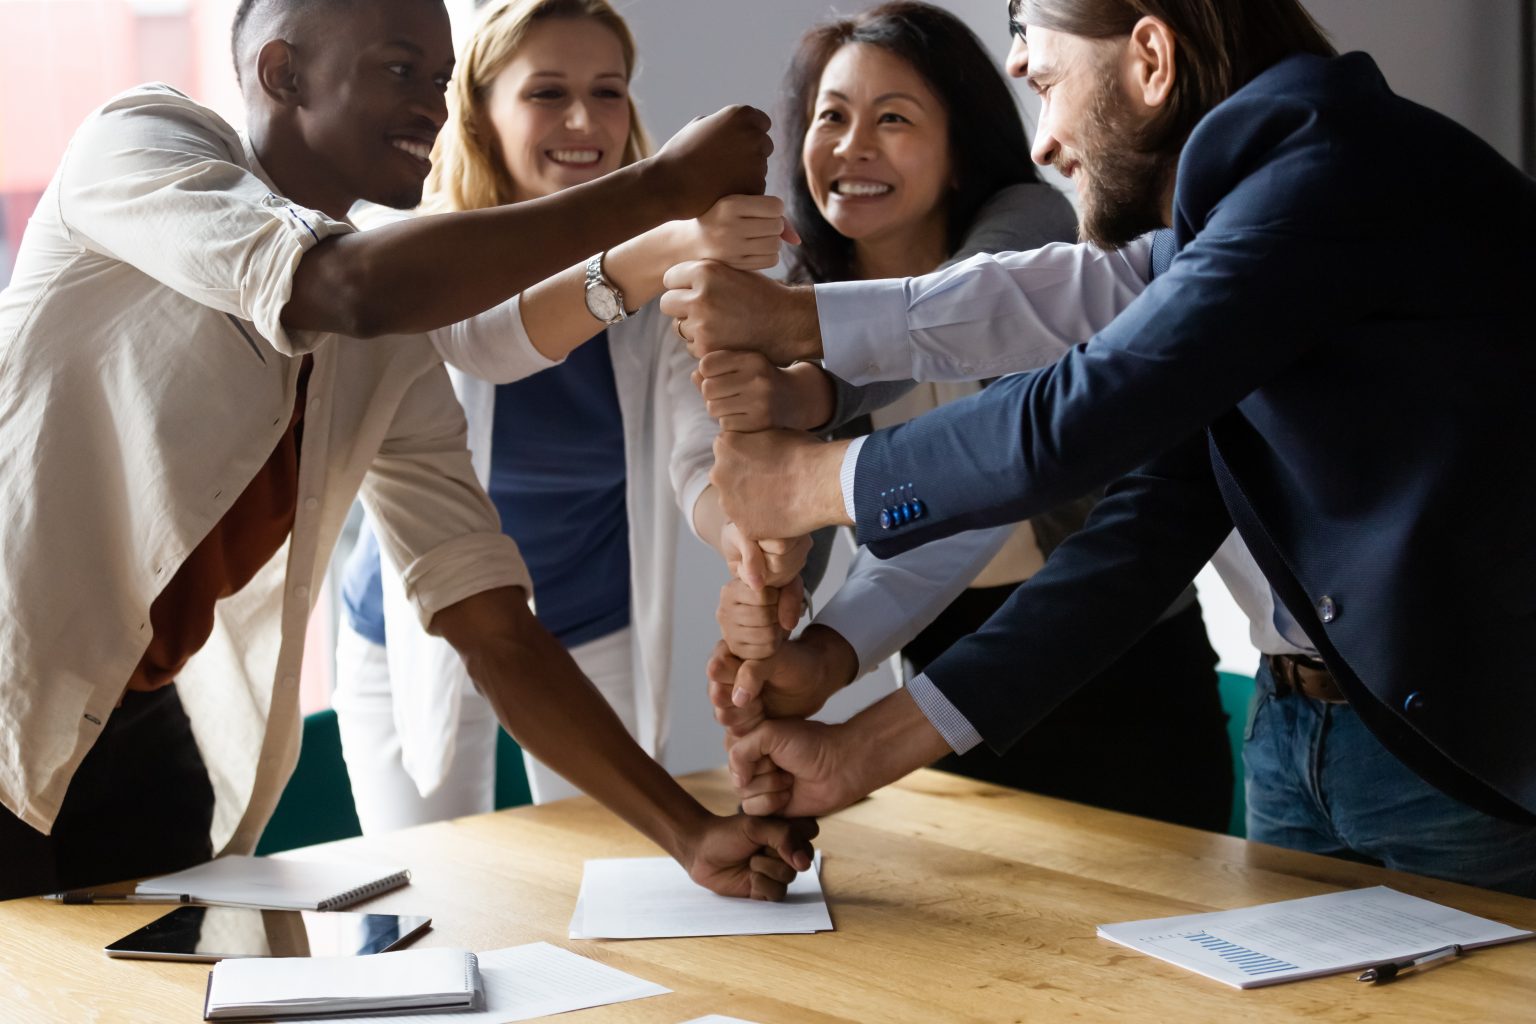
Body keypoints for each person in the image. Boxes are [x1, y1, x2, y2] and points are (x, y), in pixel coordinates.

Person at [670, 0, 1536, 896]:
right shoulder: (1244, 214)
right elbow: (1143, 525)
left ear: (1152, 61)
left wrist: (813, 479)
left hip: (1462, 751)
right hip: (1294, 737)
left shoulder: (1323, 165)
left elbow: (1081, 409)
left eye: (1046, 84)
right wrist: (860, 751)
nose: (1042, 142)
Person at [0, 0, 815, 902]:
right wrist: (662, 192)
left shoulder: (387, 340)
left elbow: (492, 621)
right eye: (400, 70)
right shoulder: (142, 142)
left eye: (437, 78)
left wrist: (692, 833)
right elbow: (347, 285)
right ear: (282, 74)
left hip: (133, 712)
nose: (431, 103)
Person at [696, 1, 1232, 832]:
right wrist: (772, 622)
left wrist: (816, 388)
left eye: (894, 118)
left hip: (1111, 650)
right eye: (831, 116)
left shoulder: (1030, 232)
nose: (852, 145)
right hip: (946, 655)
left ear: (958, 153)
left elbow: (990, 469)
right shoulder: (799, 292)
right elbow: (790, 519)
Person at [332, 0, 803, 829]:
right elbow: (485, 340)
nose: (584, 120)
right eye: (547, 92)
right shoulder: (419, 245)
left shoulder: (673, 277)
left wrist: (743, 531)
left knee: (614, 873)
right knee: (424, 891)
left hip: (592, 616)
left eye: (608, 91)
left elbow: (699, 453)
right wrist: (666, 244)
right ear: (478, 111)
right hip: (421, 621)